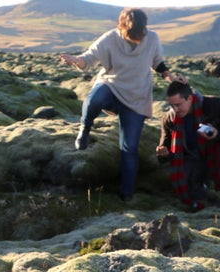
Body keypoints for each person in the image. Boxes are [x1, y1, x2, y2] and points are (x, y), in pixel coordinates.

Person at [60, 7, 186, 201]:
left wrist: (171, 78)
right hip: (112, 85)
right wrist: (75, 60)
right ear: (123, 27)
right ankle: (85, 129)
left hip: (136, 98)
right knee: (94, 98)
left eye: (141, 32)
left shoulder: (152, 38)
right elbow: (88, 58)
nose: (139, 36)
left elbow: (158, 62)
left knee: (129, 149)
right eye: (134, 33)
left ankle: (126, 194)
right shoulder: (110, 38)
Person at [156, 81, 220, 210]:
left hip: (217, 154)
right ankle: (200, 190)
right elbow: (165, 143)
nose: (175, 109)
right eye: (172, 105)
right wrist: (163, 152)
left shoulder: (213, 105)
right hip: (192, 159)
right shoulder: (169, 118)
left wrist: (217, 135)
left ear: (189, 98)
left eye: (178, 105)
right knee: (186, 188)